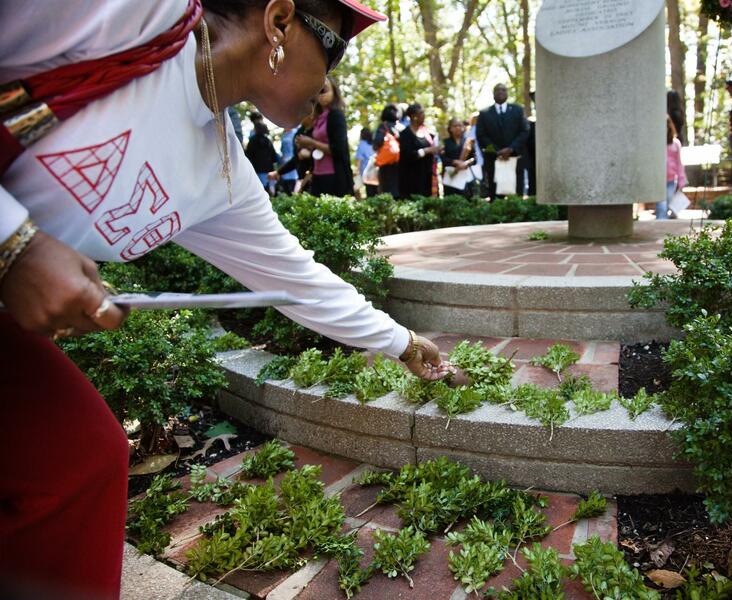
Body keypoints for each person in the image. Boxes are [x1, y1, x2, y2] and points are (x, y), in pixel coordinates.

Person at [0, 1, 451, 597]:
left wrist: (403, 343)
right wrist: (14, 243)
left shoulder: (224, 172)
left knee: (78, 463)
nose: (328, 88)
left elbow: (297, 280)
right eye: (335, 51)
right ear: (279, 21)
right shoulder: (127, 15)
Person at [293, 75, 353, 196]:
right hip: (318, 175)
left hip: (334, 177)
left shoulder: (336, 116)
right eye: (318, 91)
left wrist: (311, 142)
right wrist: (306, 146)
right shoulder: (318, 118)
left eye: (324, 90)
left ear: (334, 91)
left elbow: (338, 149)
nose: (321, 94)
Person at [477, 83, 529, 197]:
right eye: (497, 90)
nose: (500, 92)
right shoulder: (484, 113)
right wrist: (497, 151)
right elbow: (481, 135)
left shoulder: (518, 110)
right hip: (494, 161)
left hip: (515, 159)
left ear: (507, 93)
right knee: (495, 196)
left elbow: (525, 131)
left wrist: (511, 149)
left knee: (517, 195)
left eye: (503, 90)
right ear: (493, 94)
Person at [399, 103, 440, 198]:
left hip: (427, 177)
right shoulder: (405, 134)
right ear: (414, 117)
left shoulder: (427, 133)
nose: (424, 116)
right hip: (412, 179)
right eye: (421, 113)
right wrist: (427, 150)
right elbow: (407, 156)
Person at [658, 115, 687, 220]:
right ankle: (661, 224)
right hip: (659, 180)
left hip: (671, 180)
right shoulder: (656, 143)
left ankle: (666, 221)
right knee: (661, 205)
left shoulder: (675, 143)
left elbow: (679, 163)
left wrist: (681, 179)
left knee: (669, 200)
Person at [374, 103, 402, 198]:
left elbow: (377, 142)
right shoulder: (402, 127)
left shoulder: (383, 126)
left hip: (386, 165)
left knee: (387, 192)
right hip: (400, 163)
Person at [441, 117, 474, 197]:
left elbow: (475, 158)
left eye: (459, 125)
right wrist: (454, 162)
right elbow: (442, 158)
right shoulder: (445, 142)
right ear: (450, 128)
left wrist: (466, 163)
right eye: (455, 126)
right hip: (451, 176)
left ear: (463, 127)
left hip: (466, 176)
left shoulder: (468, 141)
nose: (457, 128)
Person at [245, 121, 279, 194]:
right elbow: (274, 157)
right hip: (269, 171)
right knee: (269, 192)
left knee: (259, 192)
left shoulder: (252, 141)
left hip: (256, 170)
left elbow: (248, 156)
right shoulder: (268, 141)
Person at [276, 125, 299, 194]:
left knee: (293, 182)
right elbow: (282, 149)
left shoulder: (295, 132)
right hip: (285, 160)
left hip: (293, 159)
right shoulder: (284, 134)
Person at [356, 126, 377, 197]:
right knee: (377, 192)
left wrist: (357, 172)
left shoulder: (361, 144)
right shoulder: (374, 143)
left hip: (367, 173)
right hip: (376, 172)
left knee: (370, 194)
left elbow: (359, 160)